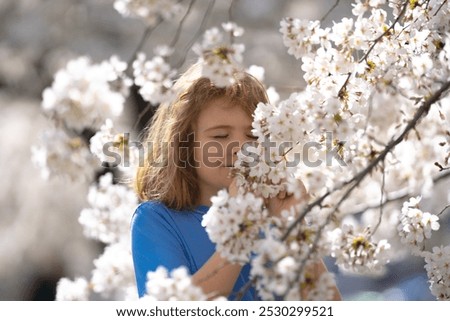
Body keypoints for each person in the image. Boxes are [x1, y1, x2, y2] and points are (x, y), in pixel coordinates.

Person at [131, 62, 341, 300]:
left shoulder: (272, 220)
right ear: (184, 144)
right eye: (220, 136)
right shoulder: (156, 220)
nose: (241, 147)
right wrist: (239, 230)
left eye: (253, 135)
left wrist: (297, 228)